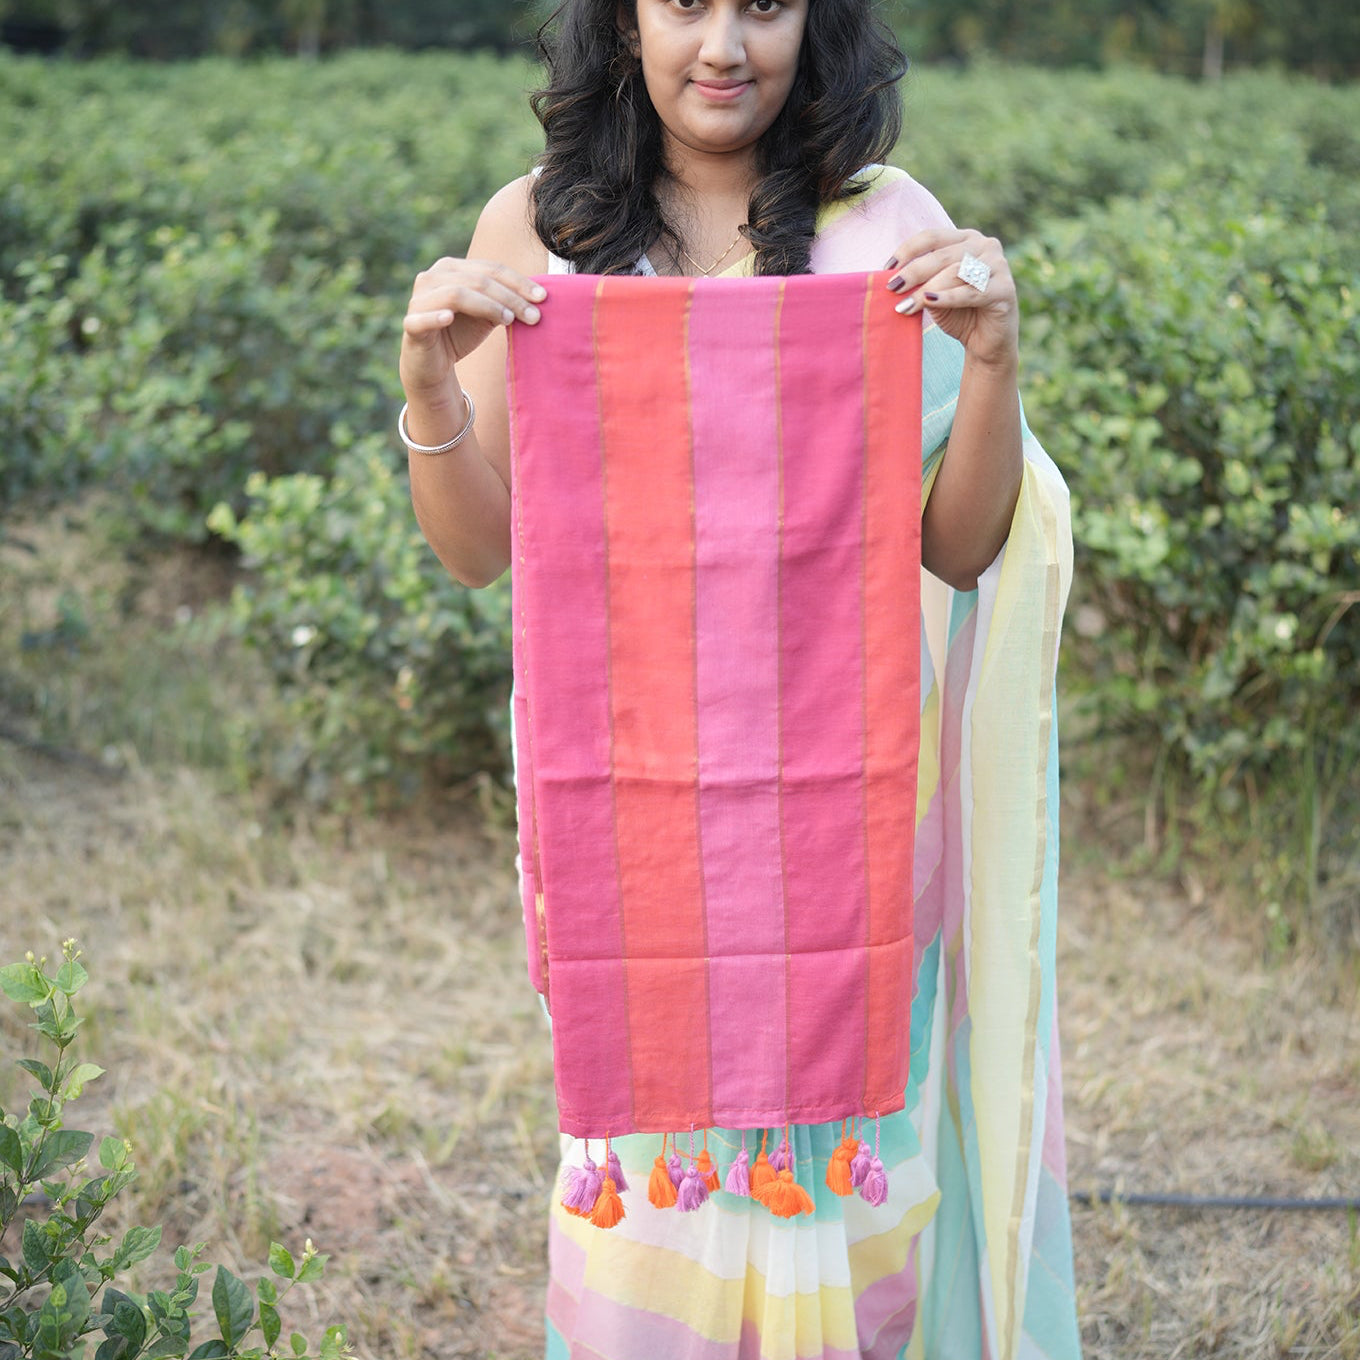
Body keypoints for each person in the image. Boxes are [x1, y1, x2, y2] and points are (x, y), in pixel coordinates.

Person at [400, 1, 1082, 1356]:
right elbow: (483, 553)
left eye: (764, 2)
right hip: (634, 818)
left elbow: (958, 546)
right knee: (653, 1218)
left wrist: (995, 363)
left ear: (814, 21)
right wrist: (430, 383)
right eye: (686, 1)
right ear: (625, 18)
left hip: (852, 817)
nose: (724, 42)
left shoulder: (881, 232)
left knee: (850, 1187)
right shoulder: (540, 232)